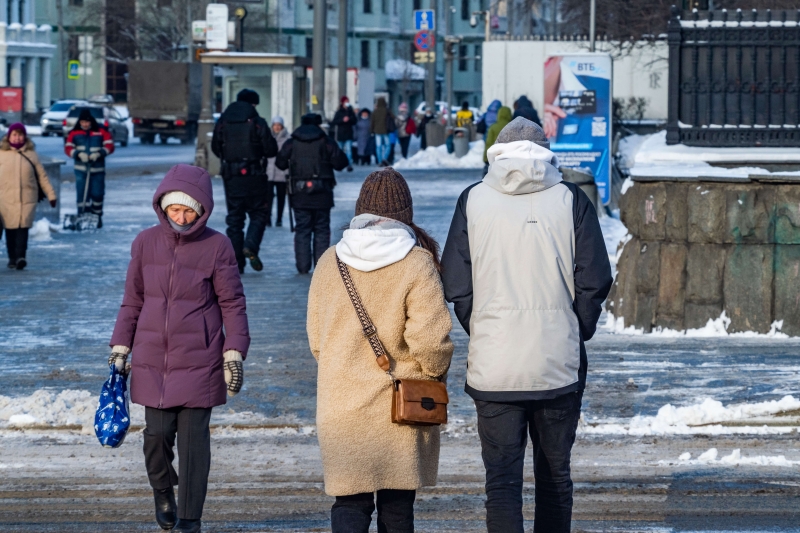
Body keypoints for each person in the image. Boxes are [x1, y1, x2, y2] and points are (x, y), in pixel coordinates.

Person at [440, 117, 612, 533]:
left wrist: (482, 326)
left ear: (497, 153)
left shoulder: (473, 199)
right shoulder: (570, 199)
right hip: (556, 363)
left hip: (495, 366)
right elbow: (595, 277)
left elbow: (455, 282)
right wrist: (573, 326)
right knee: (554, 479)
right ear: (545, 152)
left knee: (501, 484)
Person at [307, 168, 454, 533]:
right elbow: (431, 344)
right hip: (399, 410)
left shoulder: (329, 262)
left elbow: (316, 340)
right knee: (398, 509)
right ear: (406, 214)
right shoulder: (417, 262)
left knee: (349, 506)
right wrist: (434, 372)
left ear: (360, 211)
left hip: (340, 407)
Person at [109, 163, 250, 533]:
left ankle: (191, 518)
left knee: (193, 448)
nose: (181, 217)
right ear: (163, 206)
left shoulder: (217, 246)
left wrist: (233, 352)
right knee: (154, 437)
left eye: (189, 210)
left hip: (200, 359)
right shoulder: (145, 242)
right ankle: (161, 490)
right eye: (175, 209)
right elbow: (132, 300)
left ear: (203, 209)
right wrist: (121, 345)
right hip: (152, 359)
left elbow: (232, 303)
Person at [211, 88, 278, 274]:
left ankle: (236, 263)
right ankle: (250, 245)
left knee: (234, 219)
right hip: (255, 174)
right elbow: (271, 149)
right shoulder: (257, 122)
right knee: (258, 214)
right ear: (253, 103)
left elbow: (215, 147)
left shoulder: (223, 122)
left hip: (231, 176)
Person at [275, 113, 348, 274]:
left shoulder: (292, 142)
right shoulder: (325, 141)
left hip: (299, 193)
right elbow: (341, 162)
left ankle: (302, 266)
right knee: (321, 228)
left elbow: (280, 163)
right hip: (323, 192)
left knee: (302, 229)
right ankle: (320, 266)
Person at [0, 123, 57, 270]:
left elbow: (42, 176)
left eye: (20, 135)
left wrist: (51, 195)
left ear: (24, 137)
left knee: (22, 229)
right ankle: (12, 258)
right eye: (14, 135)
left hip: (27, 199)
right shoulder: (1, 154)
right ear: (9, 136)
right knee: (10, 229)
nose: (17, 138)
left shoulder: (32, 154)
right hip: (5, 199)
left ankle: (21, 257)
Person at [64, 108, 114, 228]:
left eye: (87, 122)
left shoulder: (100, 131)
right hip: (81, 170)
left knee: (97, 194)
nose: (85, 124)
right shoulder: (74, 133)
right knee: (82, 196)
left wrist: (99, 153)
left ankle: (96, 217)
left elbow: (110, 145)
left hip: (97, 170)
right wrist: (78, 154)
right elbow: (68, 148)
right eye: (82, 122)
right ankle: (82, 216)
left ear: (91, 121)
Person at [265, 116, 290, 228]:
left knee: (281, 197)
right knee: (268, 197)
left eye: (279, 125)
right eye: (275, 125)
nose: (277, 127)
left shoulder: (287, 139)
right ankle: (268, 218)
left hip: (282, 172)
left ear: (282, 126)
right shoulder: (267, 137)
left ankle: (279, 218)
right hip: (268, 172)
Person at [331, 96, 357, 171]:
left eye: (347, 101)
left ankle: (349, 165)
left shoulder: (350, 111)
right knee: (340, 150)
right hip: (341, 134)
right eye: (345, 101)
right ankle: (340, 165)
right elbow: (335, 121)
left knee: (349, 150)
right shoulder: (339, 112)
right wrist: (342, 120)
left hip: (348, 133)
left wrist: (349, 119)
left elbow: (355, 121)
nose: (347, 103)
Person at [370, 97, 392, 166]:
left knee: (378, 147)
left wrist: (371, 131)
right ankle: (384, 158)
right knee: (388, 146)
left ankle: (379, 161)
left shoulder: (375, 112)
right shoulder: (387, 111)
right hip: (386, 130)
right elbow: (393, 118)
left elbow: (372, 122)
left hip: (377, 131)